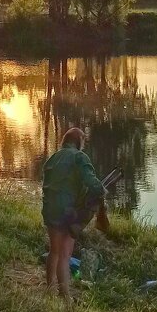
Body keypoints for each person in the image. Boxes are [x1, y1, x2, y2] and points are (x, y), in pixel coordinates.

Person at [42, 127, 106, 299]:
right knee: (64, 255)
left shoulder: (53, 158)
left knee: (53, 251)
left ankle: (49, 290)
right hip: (68, 213)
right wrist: (101, 192)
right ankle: (65, 296)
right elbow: (92, 183)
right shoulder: (80, 157)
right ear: (79, 141)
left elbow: (46, 186)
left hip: (50, 211)